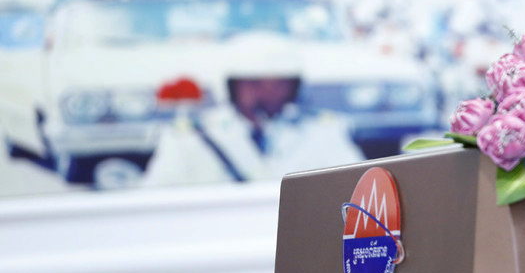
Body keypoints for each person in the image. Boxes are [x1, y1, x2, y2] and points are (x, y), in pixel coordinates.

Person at [142, 36, 364, 186]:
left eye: (280, 84)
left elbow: (354, 189)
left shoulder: (321, 132)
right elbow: (157, 196)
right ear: (230, 87)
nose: (269, 93)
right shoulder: (189, 137)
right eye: (255, 84)